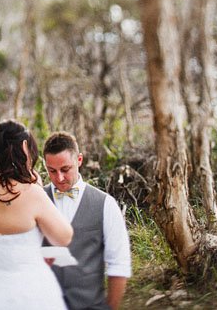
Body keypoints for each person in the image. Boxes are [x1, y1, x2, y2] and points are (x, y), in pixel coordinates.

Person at [0, 120, 74, 310]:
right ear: (25, 147)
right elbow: (64, 237)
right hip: (29, 293)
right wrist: (39, 190)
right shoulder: (32, 193)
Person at [42, 132, 131, 310]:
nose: (59, 178)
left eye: (65, 169)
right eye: (52, 171)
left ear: (79, 160)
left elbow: (119, 264)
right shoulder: (36, 200)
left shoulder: (105, 204)